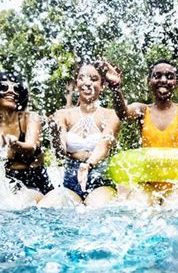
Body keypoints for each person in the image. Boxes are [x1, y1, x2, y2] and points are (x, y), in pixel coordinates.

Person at [105, 59, 178, 204]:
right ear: (149, 81)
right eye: (157, 76)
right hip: (148, 184)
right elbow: (123, 114)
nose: (163, 80)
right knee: (136, 204)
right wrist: (115, 87)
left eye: (169, 76)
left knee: (174, 207)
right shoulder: (142, 110)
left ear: (176, 83)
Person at [38, 62, 120, 208]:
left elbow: (104, 146)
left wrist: (88, 164)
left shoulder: (111, 114)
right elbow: (60, 152)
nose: (87, 83)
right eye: (82, 78)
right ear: (76, 85)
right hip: (71, 181)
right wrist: (55, 137)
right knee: (47, 205)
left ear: (102, 86)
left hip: (99, 179)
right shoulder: (63, 114)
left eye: (94, 79)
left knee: (96, 208)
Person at [0, 71, 52, 200]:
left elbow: (31, 148)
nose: (11, 91)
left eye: (16, 88)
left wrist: (14, 144)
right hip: (5, 183)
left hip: (35, 181)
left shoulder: (31, 118)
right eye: (4, 87)